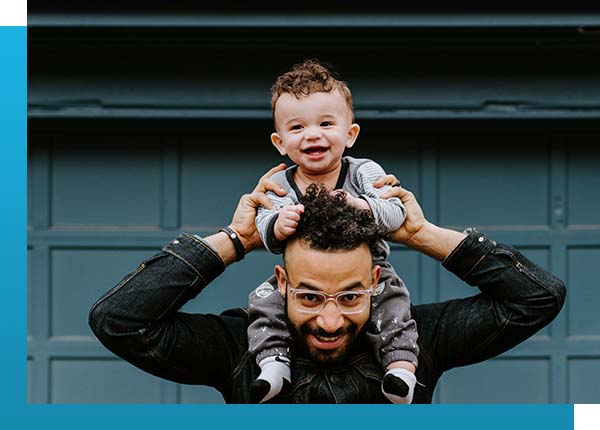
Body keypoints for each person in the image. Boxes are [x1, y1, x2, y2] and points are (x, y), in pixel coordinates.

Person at [88, 165, 566, 403]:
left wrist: (422, 235)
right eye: (310, 297)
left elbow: (538, 297)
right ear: (282, 282)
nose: (331, 320)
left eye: (352, 296)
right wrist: (236, 241)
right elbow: (119, 320)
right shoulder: (239, 348)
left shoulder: (417, 340)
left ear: (376, 280)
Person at [249, 59, 416, 404]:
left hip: (371, 269)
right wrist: (276, 225)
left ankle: (400, 369)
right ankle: (273, 364)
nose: (312, 134)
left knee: (394, 303)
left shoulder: (363, 172)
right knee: (263, 303)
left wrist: (363, 207)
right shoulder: (279, 182)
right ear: (280, 142)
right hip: (302, 277)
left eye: (326, 123)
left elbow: (395, 212)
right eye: (297, 128)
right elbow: (263, 227)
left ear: (350, 134)